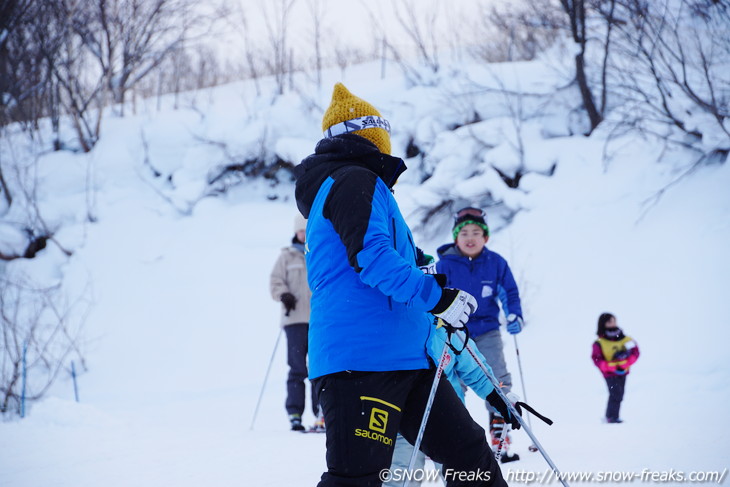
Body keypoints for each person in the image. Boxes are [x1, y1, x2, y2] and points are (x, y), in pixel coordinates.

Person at [294, 82, 518, 486]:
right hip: (360, 363)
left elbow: (392, 259)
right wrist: (437, 297)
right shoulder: (351, 180)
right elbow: (372, 259)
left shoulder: (361, 186)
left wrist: (428, 279)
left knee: (471, 458)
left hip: (409, 361)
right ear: (370, 138)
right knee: (358, 478)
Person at [435, 208, 523, 462]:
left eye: (476, 232)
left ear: (485, 237)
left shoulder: (496, 262)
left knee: (496, 377)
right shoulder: (445, 264)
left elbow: (509, 292)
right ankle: (450, 433)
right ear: (455, 238)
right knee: (452, 382)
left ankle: (500, 430)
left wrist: (513, 314)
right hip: (454, 333)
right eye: (464, 233)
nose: (470, 237)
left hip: (487, 331)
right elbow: (434, 296)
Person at [269, 213, 322, 432]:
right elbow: (274, 282)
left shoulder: (318, 252)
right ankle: (294, 414)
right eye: (300, 231)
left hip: (318, 320)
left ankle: (322, 413)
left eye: (306, 231)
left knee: (320, 368)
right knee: (297, 368)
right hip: (295, 320)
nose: (303, 235)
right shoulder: (286, 257)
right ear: (295, 232)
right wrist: (283, 295)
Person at [591, 312, 640, 424]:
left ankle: (612, 416)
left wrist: (627, 362)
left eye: (614, 321)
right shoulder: (599, 342)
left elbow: (636, 352)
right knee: (615, 393)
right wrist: (609, 366)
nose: (613, 323)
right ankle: (612, 417)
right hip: (609, 373)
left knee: (619, 394)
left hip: (623, 372)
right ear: (603, 324)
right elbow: (596, 358)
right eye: (609, 322)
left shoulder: (626, 339)